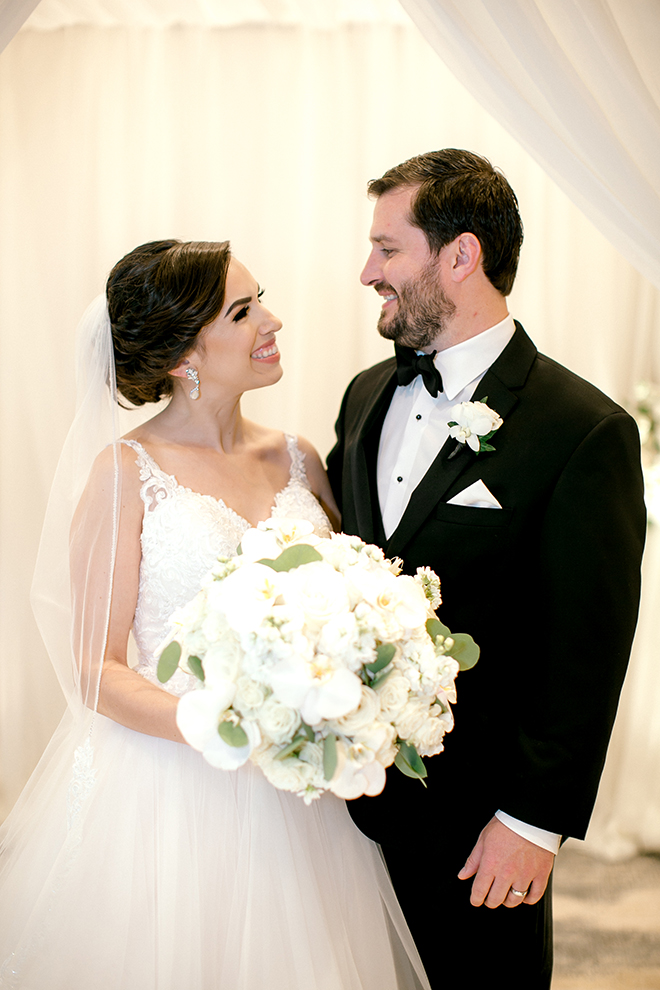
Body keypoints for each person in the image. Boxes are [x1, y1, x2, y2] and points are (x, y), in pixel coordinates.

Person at [0, 239, 430, 990]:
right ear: (180, 357)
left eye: (259, 297)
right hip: (169, 788)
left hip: (302, 796)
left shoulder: (299, 457)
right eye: (243, 310)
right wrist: (229, 727)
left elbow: (346, 599)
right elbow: (96, 670)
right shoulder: (124, 473)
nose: (273, 320)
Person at [326, 150, 646, 988]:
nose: (368, 272)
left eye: (388, 250)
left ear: (460, 256)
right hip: (343, 813)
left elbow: (587, 650)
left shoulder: (583, 430)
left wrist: (532, 822)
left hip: (479, 829)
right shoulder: (364, 397)